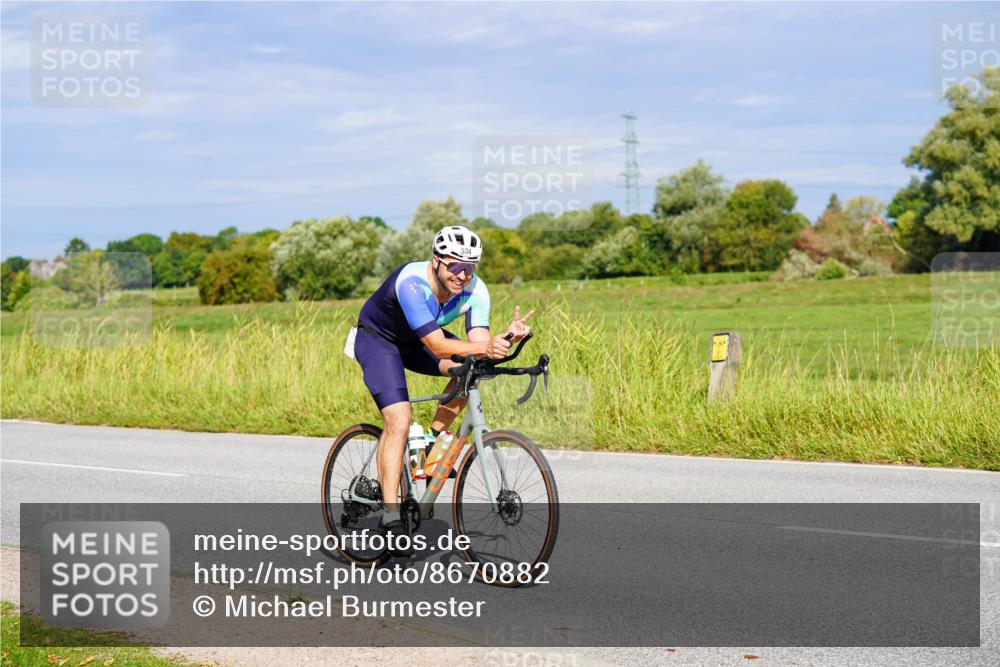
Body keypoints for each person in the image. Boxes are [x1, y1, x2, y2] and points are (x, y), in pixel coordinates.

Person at [350, 225, 533, 533]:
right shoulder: (412, 284)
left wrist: (506, 341)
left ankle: (431, 444)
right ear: (435, 260)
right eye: (454, 266)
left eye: (469, 267)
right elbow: (437, 346)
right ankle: (391, 514)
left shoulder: (476, 291)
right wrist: (484, 348)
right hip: (380, 340)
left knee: (471, 369)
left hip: (418, 340)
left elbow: (480, 345)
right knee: (399, 420)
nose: (462, 275)